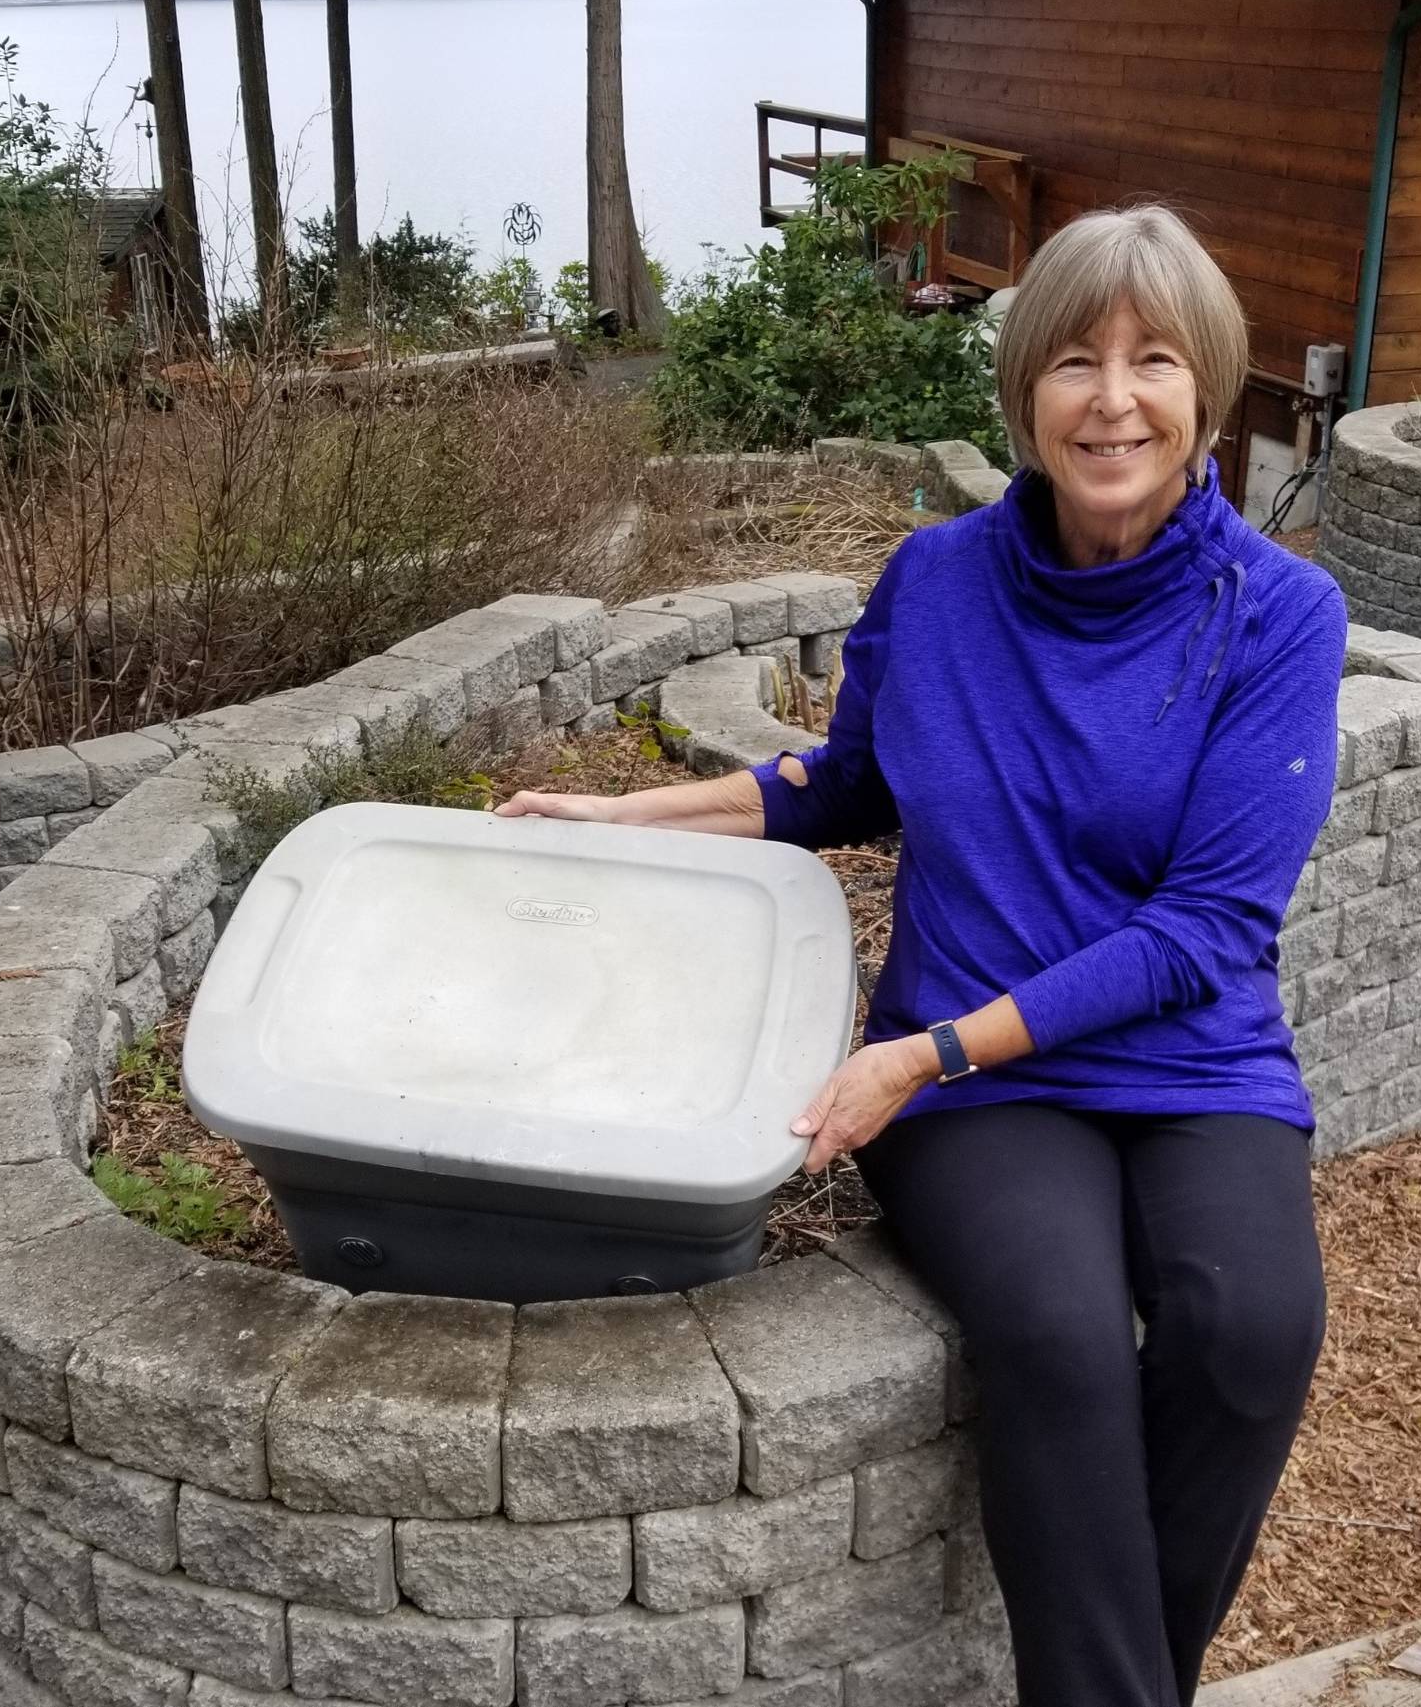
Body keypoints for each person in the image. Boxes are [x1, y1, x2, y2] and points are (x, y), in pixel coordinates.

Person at [498, 203, 1346, 1707]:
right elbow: (847, 779)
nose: (1113, 397)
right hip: (980, 1092)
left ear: (1210, 396)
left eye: (1156, 359)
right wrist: (623, 809)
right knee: (1064, 1333)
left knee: (1250, 1325)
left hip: (1170, 1049)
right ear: (1024, 392)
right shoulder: (939, 580)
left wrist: (919, 1051)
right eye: (1075, 360)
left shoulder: (1277, 616)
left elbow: (1206, 930)